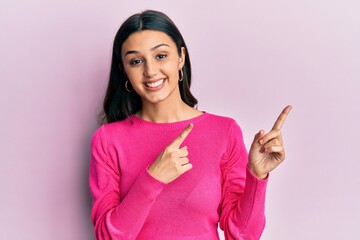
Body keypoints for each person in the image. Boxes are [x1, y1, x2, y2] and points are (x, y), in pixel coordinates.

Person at [89, 9, 292, 240]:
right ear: (123, 70)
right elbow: (109, 236)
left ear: (181, 58)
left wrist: (256, 176)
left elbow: (242, 235)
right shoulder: (108, 140)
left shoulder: (224, 132)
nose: (150, 71)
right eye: (136, 61)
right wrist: (153, 178)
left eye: (161, 56)